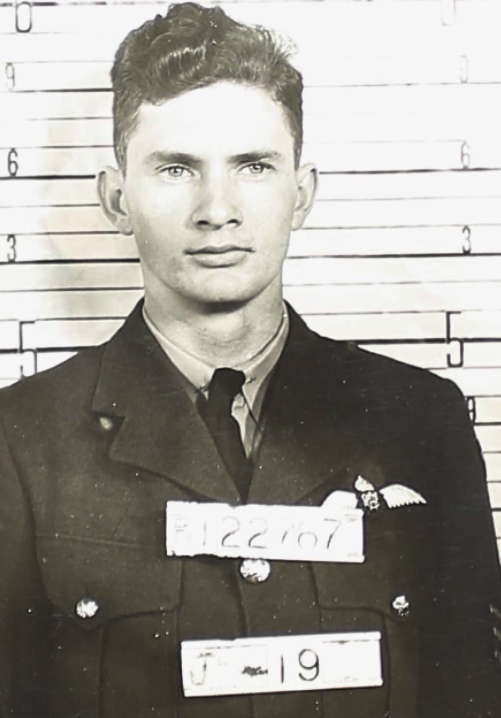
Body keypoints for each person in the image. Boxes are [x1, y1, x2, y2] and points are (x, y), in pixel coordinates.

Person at [0, 3, 500, 717]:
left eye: (253, 166)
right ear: (116, 199)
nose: (217, 209)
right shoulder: (20, 442)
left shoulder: (420, 422)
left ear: (302, 193)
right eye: (176, 168)